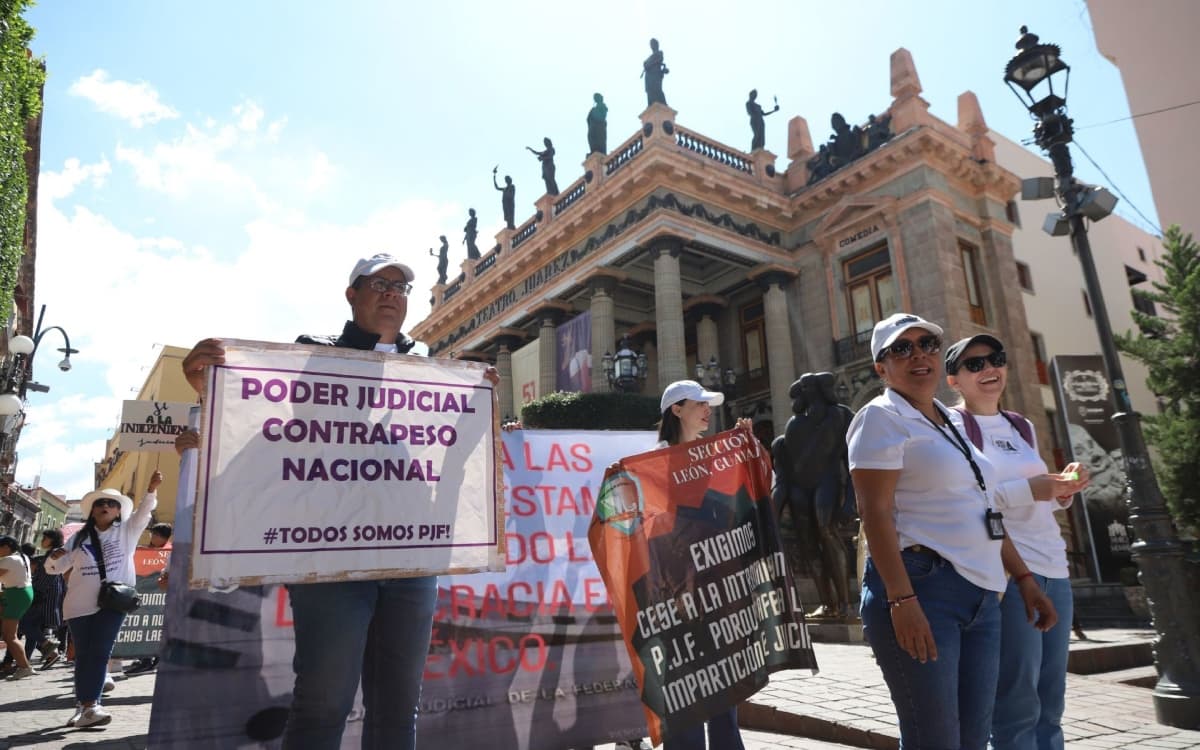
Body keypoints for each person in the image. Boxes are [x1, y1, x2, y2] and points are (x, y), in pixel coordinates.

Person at [180, 253, 499, 750]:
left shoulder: (429, 361)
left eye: (402, 286)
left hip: (410, 554)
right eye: (380, 283)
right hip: (330, 552)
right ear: (351, 294)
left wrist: (480, 409)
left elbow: (445, 449)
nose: (393, 293)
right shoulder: (311, 351)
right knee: (324, 701)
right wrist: (211, 387)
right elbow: (269, 420)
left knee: (398, 705)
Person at [847, 313, 1058, 750]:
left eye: (927, 343)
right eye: (901, 348)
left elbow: (980, 507)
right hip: (923, 587)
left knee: (973, 738)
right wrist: (901, 599)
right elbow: (875, 513)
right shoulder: (880, 417)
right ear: (881, 367)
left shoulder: (950, 421)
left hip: (983, 595)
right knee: (935, 739)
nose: (918, 354)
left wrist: (1023, 579)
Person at [944, 334, 1089, 750]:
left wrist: (1063, 488)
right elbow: (967, 497)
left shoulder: (1020, 424)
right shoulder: (953, 426)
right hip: (1007, 573)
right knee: (1016, 703)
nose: (990, 370)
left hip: (1054, 568)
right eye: (975, 365)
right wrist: (1032, 488)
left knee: (1051, 701)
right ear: (954, 380)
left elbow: (1039, 500)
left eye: (996, 359)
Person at [647, 380, 749, 750]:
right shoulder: (652, 461)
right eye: (699, 404)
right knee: (685, 694)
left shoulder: (716, 456)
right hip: (676, 595)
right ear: (676, 410)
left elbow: (745, 504)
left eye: (709, 404)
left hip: (719, 588)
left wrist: (747, 453)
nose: (708, 410)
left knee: (725, 692)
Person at [45, 472, 161, 727]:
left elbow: (144, 513)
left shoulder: (128, 531)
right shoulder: (78, 537)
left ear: (119, 511)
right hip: (77, 604)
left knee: (99, 653)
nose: (105, 506)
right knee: (84, 656)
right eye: (100, 503)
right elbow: (53, 568)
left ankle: (91, 706)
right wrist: (55, 556)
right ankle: (83, 706)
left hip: (112, 603)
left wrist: (151, 489)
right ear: (93, 511)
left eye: (111, 504)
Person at [125, 522, 174, 676]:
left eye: (155, 534)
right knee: (142, 626)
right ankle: (144, 659)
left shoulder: (171, 552)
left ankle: (156, 658)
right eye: (152, 533)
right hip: (145, 597)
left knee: (158, 629)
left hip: (163, 599)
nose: (152, 536)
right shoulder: (144, 551)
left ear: (163, 537)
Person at [0, 534, 35, 680]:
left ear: (7, 547)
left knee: (10, 636)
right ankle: (24, 666)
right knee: (9, 634)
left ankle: (24, 667)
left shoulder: (9, 560)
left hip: (16, 594)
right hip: (21, 592)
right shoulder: (22, 557)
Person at [642, 38, 668, 107]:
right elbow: (645, 64)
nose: (652, 46)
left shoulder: (659, 52)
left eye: (653, 44)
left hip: (655, 74)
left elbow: (659, 59)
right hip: (648, 75)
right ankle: (650, 105)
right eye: (651, 45)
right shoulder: (650, 57)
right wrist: (646, 64)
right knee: (649, 90)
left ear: (656, 45)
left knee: (657, 89)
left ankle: (663, 105)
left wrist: (648, 64)